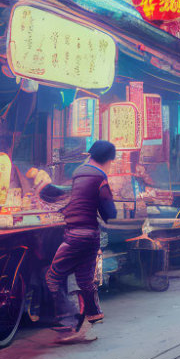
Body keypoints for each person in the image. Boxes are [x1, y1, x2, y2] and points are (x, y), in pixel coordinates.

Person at [44, 139, 117, 344]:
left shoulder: (78, 173)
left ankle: (70, 321)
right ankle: (86, 322)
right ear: (108, 160)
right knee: (84, 281)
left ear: (90, 155)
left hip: (74, 235)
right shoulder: (101, 178)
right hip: (89, 236)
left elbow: (71, 199)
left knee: (53, 277)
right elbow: (109, 213)